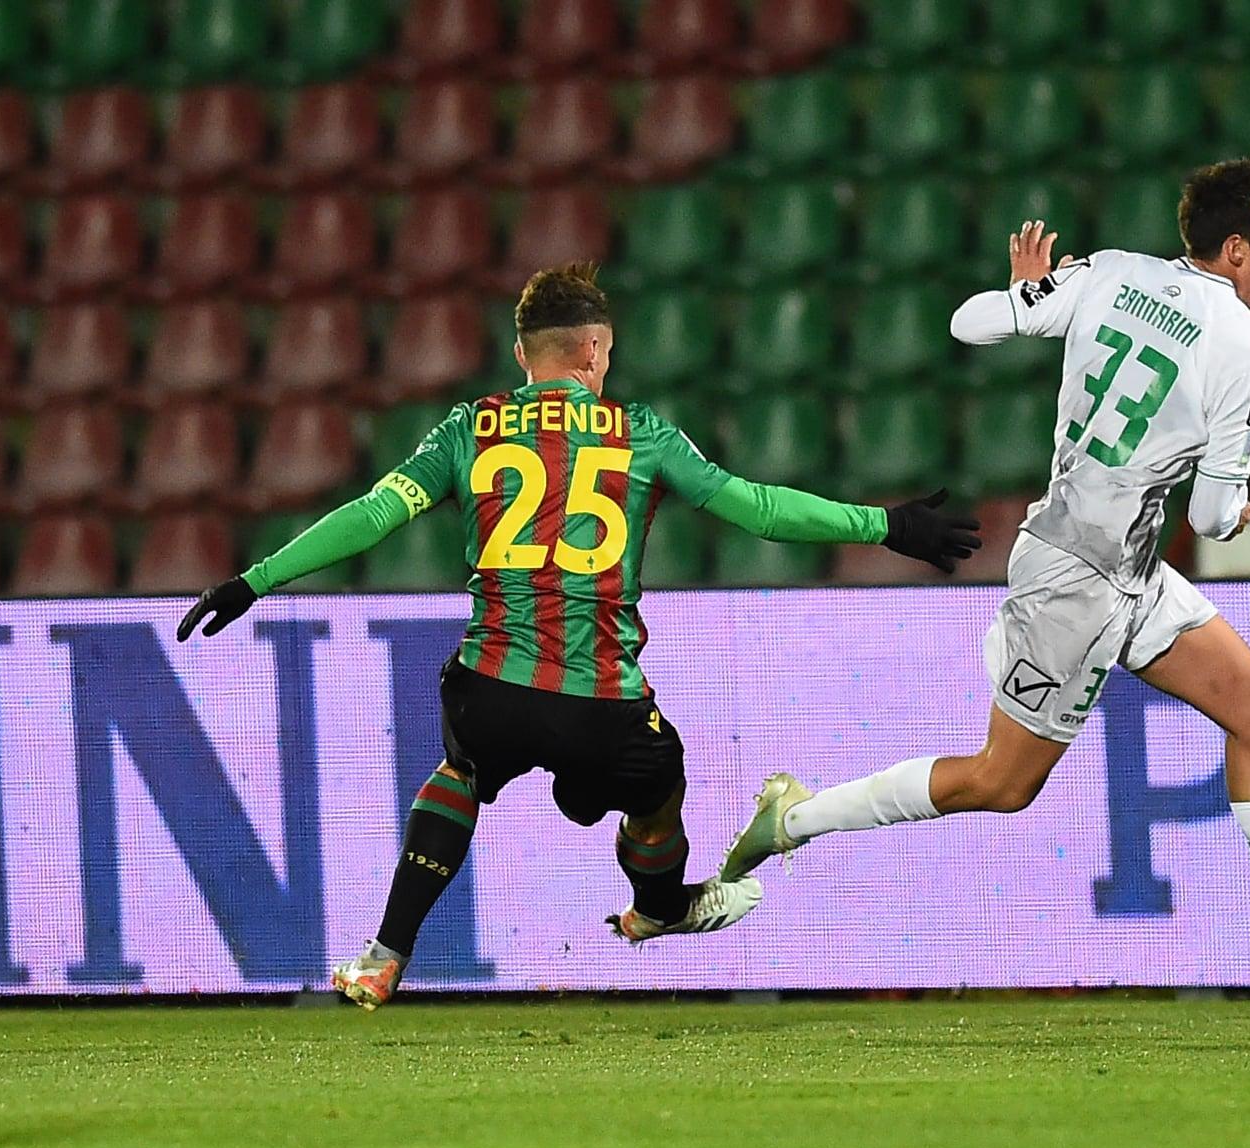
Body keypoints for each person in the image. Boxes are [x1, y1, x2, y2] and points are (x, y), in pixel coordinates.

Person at [177, 263, 980, 1009]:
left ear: (521, 353)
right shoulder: (640, 433)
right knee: (660, 787)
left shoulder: (470, 428)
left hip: (493, 688)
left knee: (461, 769)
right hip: (603, 702)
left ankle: (385, 954)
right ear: (594, 348)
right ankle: (659, 906)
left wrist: (257, 579)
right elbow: (761, 510)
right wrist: (886, 523)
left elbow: (371, 515)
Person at [722, 159, 1250, 982]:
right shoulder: (1246, 351)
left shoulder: (1114, 274)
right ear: (1234, 248)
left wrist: (1028, 297)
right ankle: (795, 815)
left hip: (1123, 566)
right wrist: (1240, 510)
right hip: (1078, 581)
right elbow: (1214, 519)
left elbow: (968, 325)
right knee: (1002, 783)